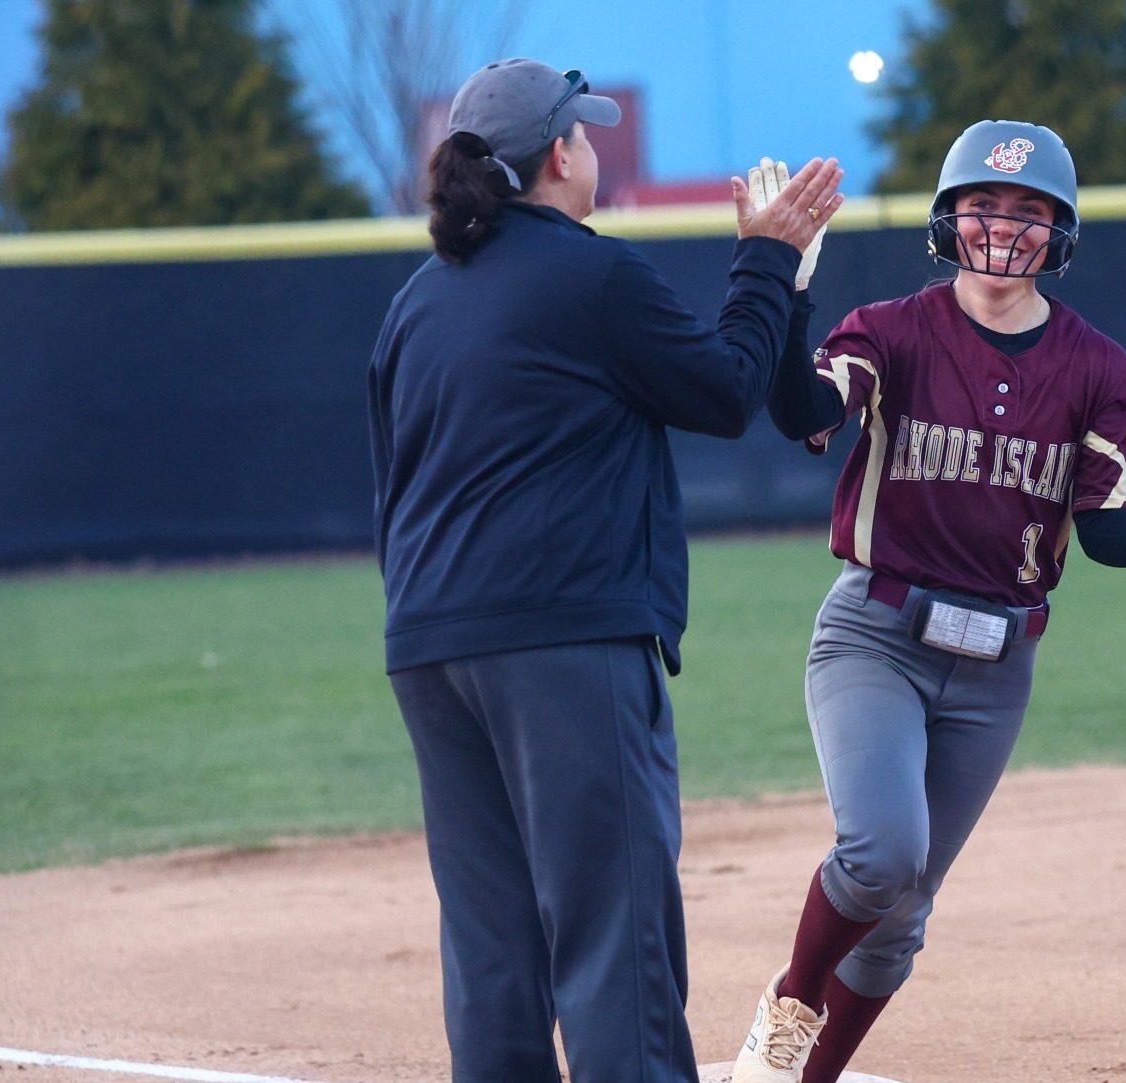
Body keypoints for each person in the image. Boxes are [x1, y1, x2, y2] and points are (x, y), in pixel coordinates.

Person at [728, 120, 1126, 1083]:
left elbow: (1104, 533)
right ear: (948, 218)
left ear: (1061, 232)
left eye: (1028, 211)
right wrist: (790, 291)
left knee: (904, 912)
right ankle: (787, 1013)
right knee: (882, 852)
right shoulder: (889, 330)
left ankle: (811, 1080)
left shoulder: (1099, 370)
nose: (1003, 227)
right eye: (984, 205)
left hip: (999, 662)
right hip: (875, 634)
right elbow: (805, 410)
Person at [366, 58, 842, 1083]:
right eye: (582, 134)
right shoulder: (590, 273)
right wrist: (767, 263)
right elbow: (723, 394)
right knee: (610, 930)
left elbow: (389, 483)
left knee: (493, 942)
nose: (591, 148)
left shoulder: (414, 301)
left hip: (431, 644)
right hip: (561, 643)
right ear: (558, 157)